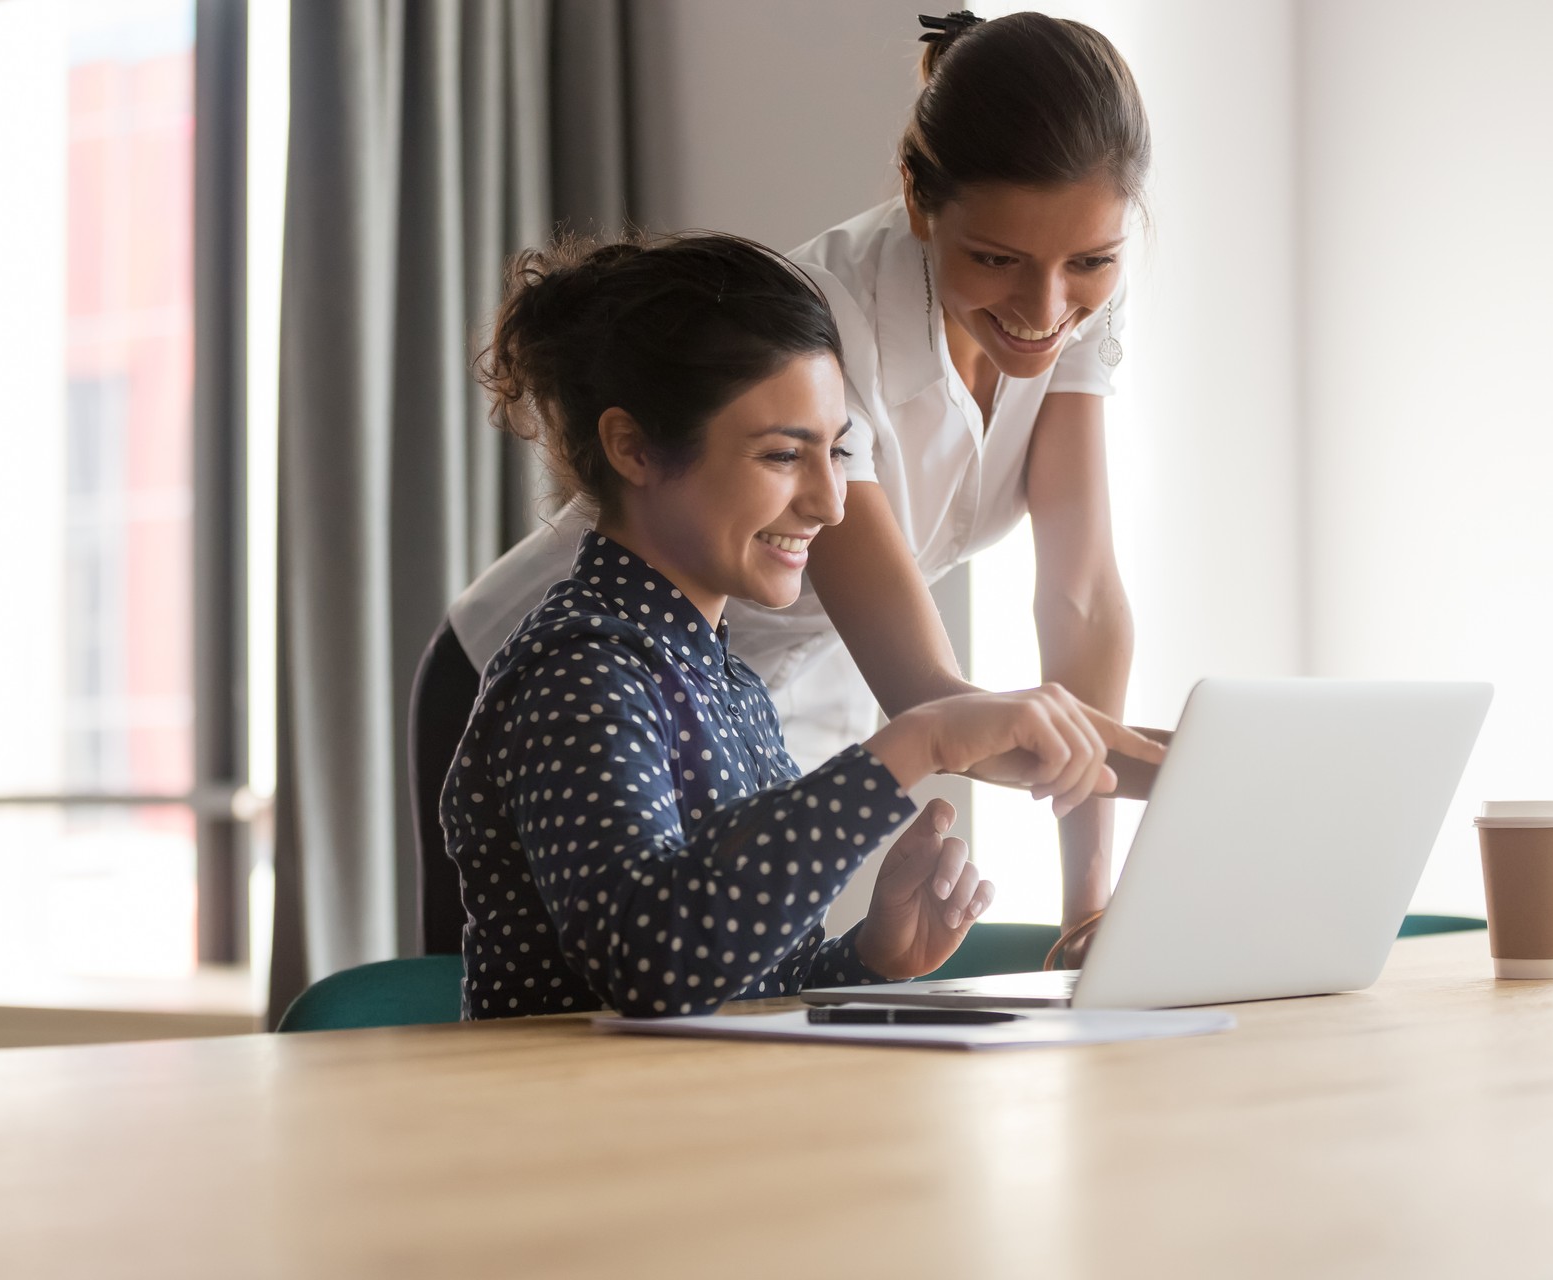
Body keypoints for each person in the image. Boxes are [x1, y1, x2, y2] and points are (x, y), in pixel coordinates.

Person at [436, 11, 1150, 948]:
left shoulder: (1065, 292)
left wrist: (1089, 906)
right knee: (569, 1013)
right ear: (918, 197)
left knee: (745, 995)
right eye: (997, 261)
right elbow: (928, 696)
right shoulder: (820, 326)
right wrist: (1202, 770)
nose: (1046, 308)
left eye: (1090, 263)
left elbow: (1082, 598)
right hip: (585, 674)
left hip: (745, 693)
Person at [442, 232, 1159, 1018]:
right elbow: (649, 965)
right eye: (784, 456)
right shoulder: (580, 671)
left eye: (837, 452)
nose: (832, 501)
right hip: (574, 1128)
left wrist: (870, 956)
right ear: (632, 448)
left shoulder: (730, 683)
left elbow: (741, 984)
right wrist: (914, 742)